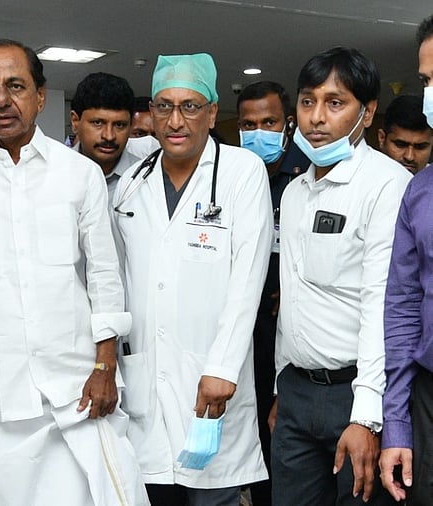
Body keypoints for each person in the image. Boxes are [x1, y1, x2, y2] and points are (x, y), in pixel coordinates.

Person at [0, 39, 149, 506]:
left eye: (15, 86)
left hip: (76, 381)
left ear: (40, 95)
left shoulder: (79, 174)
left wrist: (105, 365)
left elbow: (104, 276)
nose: (1, 100)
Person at [112, 53, 270, 506]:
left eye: (190, 106)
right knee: (154, 489)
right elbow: (123, 282)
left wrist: (222, 368)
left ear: (213, 112)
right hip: (147, 381)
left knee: (212, 492)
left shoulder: (242, 173)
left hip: (212, 379)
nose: (175, 120)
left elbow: (248, 279)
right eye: (164, 106)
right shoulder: (132, 185)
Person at [273, 47, 412, 506]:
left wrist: (368, 416)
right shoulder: (294, 190)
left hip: (352, 395)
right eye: (308, 101)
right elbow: (291, 296)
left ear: (367, 112)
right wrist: (280, 386)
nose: (316, 117)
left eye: (335, 103)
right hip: (295, 393)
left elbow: (381, 304)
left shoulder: (388, 185)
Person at [235, 79, 310, 506]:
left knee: (278, 427)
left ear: (287, 124)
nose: (258, 131)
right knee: (248, 420)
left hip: (287, 325)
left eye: (269, 122)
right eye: (248, 124)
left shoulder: (304, 174)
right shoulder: (232, 174)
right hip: (243, 323)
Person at [379, 13, 433, 504]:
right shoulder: (420, 192)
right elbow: (402, 309)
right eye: (426, 80)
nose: (431, 94)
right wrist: (396, 422)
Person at [69, 72, 158, 197]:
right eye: (98, 123)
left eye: (120, 125)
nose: (109, 136)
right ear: (75, 122)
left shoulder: (149, 178)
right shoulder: (53, 174)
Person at [376, 94, 432, 174]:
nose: (409, 157)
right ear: (382, 138)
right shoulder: (361, 178)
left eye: (420, 147)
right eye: (400, 145)